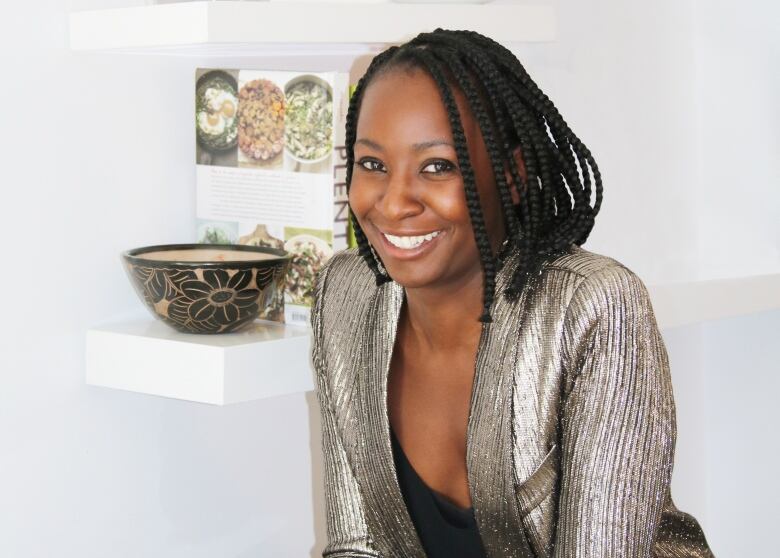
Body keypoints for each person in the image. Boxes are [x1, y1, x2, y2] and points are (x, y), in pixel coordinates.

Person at [310, 28, 715, 558]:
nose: (393, 203)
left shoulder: (593, 308)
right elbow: (357, 545)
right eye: (372, 165)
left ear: (513, 177)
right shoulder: (347, 297)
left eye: (438, 167)